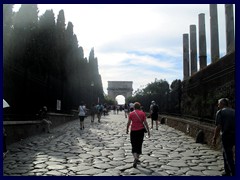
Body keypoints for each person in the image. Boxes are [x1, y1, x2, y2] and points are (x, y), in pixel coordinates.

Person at [212, 98, 235, 176]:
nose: (218, 106)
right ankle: (227, 171)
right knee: (225, 153)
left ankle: (233, 173)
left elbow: (218, 126)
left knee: (228, 155)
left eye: (219, 104)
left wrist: (214, 138)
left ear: (222, 104)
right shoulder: (234, 111)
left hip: (226, 136)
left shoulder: (220, 112)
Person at [126, 102, 150, 168]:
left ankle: (135, 158)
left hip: (133, 131)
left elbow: (128, 122)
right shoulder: (142, 113)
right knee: (139, 144)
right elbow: (145, 123)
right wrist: (148, 131)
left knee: (133, 144)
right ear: (140, 107)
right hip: (141, 131)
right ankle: (137, 158)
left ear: (134, 107)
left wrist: (127, 129)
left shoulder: (131, 113)